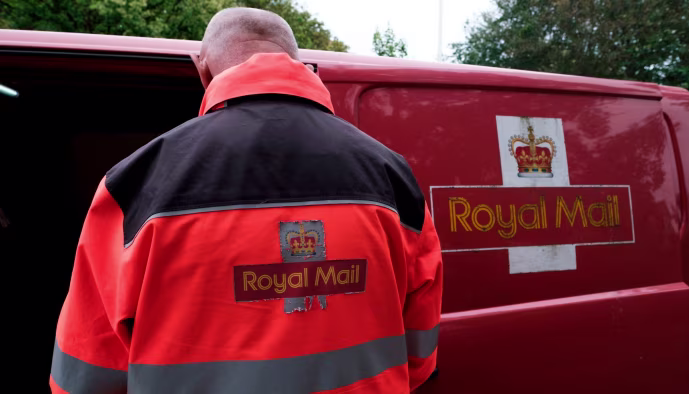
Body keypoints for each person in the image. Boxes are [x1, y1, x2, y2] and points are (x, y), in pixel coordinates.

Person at [50, 7, 442, 394]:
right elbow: (419, 352)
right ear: (300, 65)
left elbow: (86, 372)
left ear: (202, 70)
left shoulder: (135, 185)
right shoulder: (392, 176)